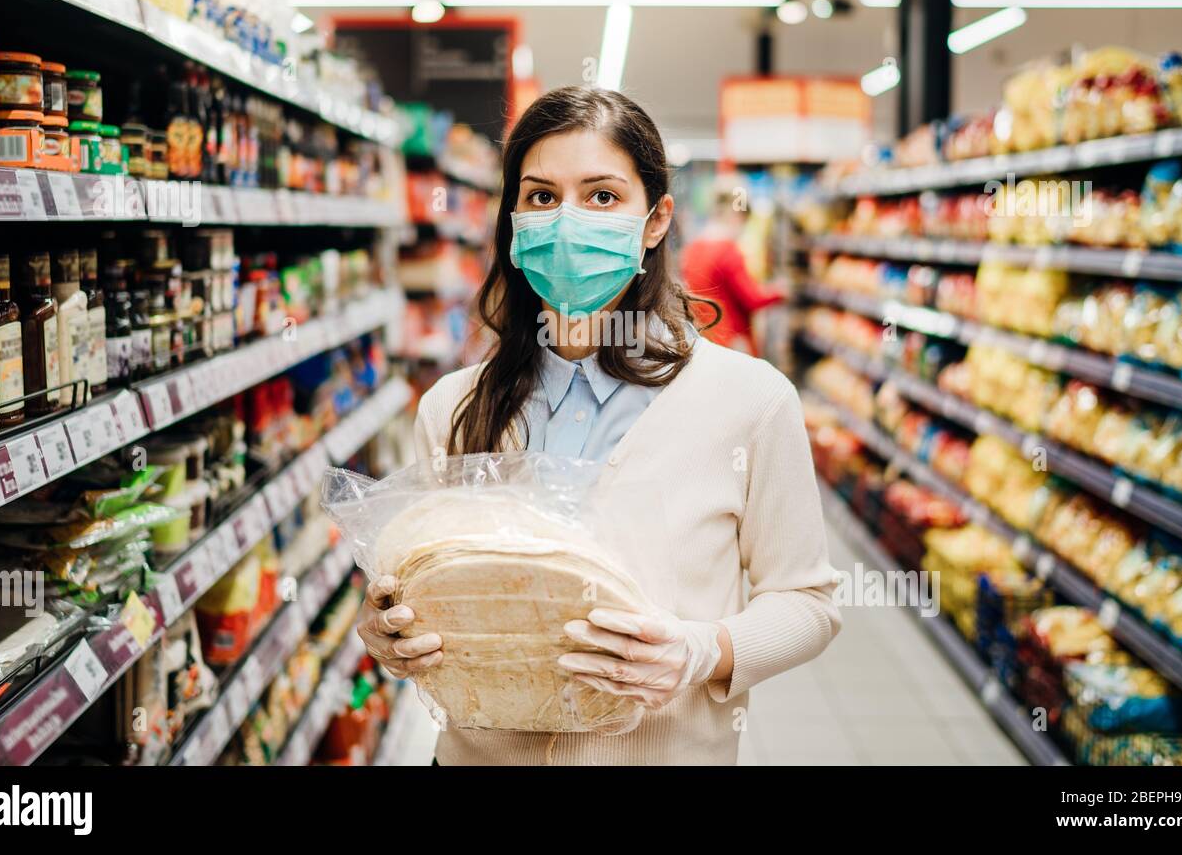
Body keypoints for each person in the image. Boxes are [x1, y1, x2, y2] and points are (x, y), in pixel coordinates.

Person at [357, 85, 839, 765]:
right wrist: (388, 633)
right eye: (542, 197)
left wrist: (703, 651)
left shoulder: (750, 401)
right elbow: (428, 591)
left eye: (603, 196)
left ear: (656, 219)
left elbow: (808, 603)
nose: (568, 222)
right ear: (514, 218)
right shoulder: (452, 406)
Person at [680, 177, 786, 357]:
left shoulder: (692, 249)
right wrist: (780, 291)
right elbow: (752, 298)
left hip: (703, 335)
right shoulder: (728, 251)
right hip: (731, 339)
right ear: (737, 216)